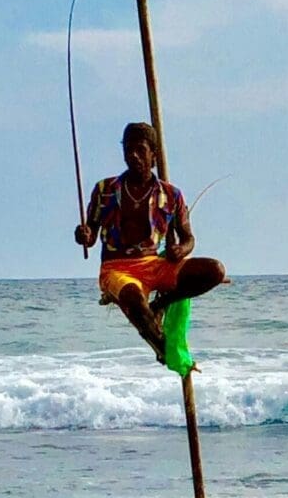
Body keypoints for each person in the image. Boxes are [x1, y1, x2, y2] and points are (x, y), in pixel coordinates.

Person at [74, 122, 226, 360]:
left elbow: (188, 238)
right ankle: (164, 348)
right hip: (117, 268)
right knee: (134, 299)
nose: (133, 155)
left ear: (153, 155)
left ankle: (159, 305)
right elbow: (90, 235)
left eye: (140, 150)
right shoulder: (104, 189)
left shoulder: (171, 194)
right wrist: (83, 234)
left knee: (214, 270)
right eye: (128, 150)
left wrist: (180, 249)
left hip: (154, 264)